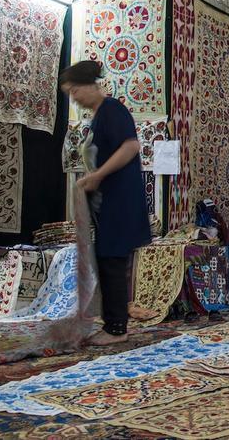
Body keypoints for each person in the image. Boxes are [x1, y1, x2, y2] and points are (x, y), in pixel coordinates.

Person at [60, 60, 151, 345]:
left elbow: (131, 146)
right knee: (107, 260)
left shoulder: (113, 110)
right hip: (108, 202)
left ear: (90, 85)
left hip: (119, 200)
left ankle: (116, 329)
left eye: (74, 91)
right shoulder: (98, 117)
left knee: (112, 260)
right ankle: (112, 322)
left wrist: (97, 175)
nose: (74, 98)